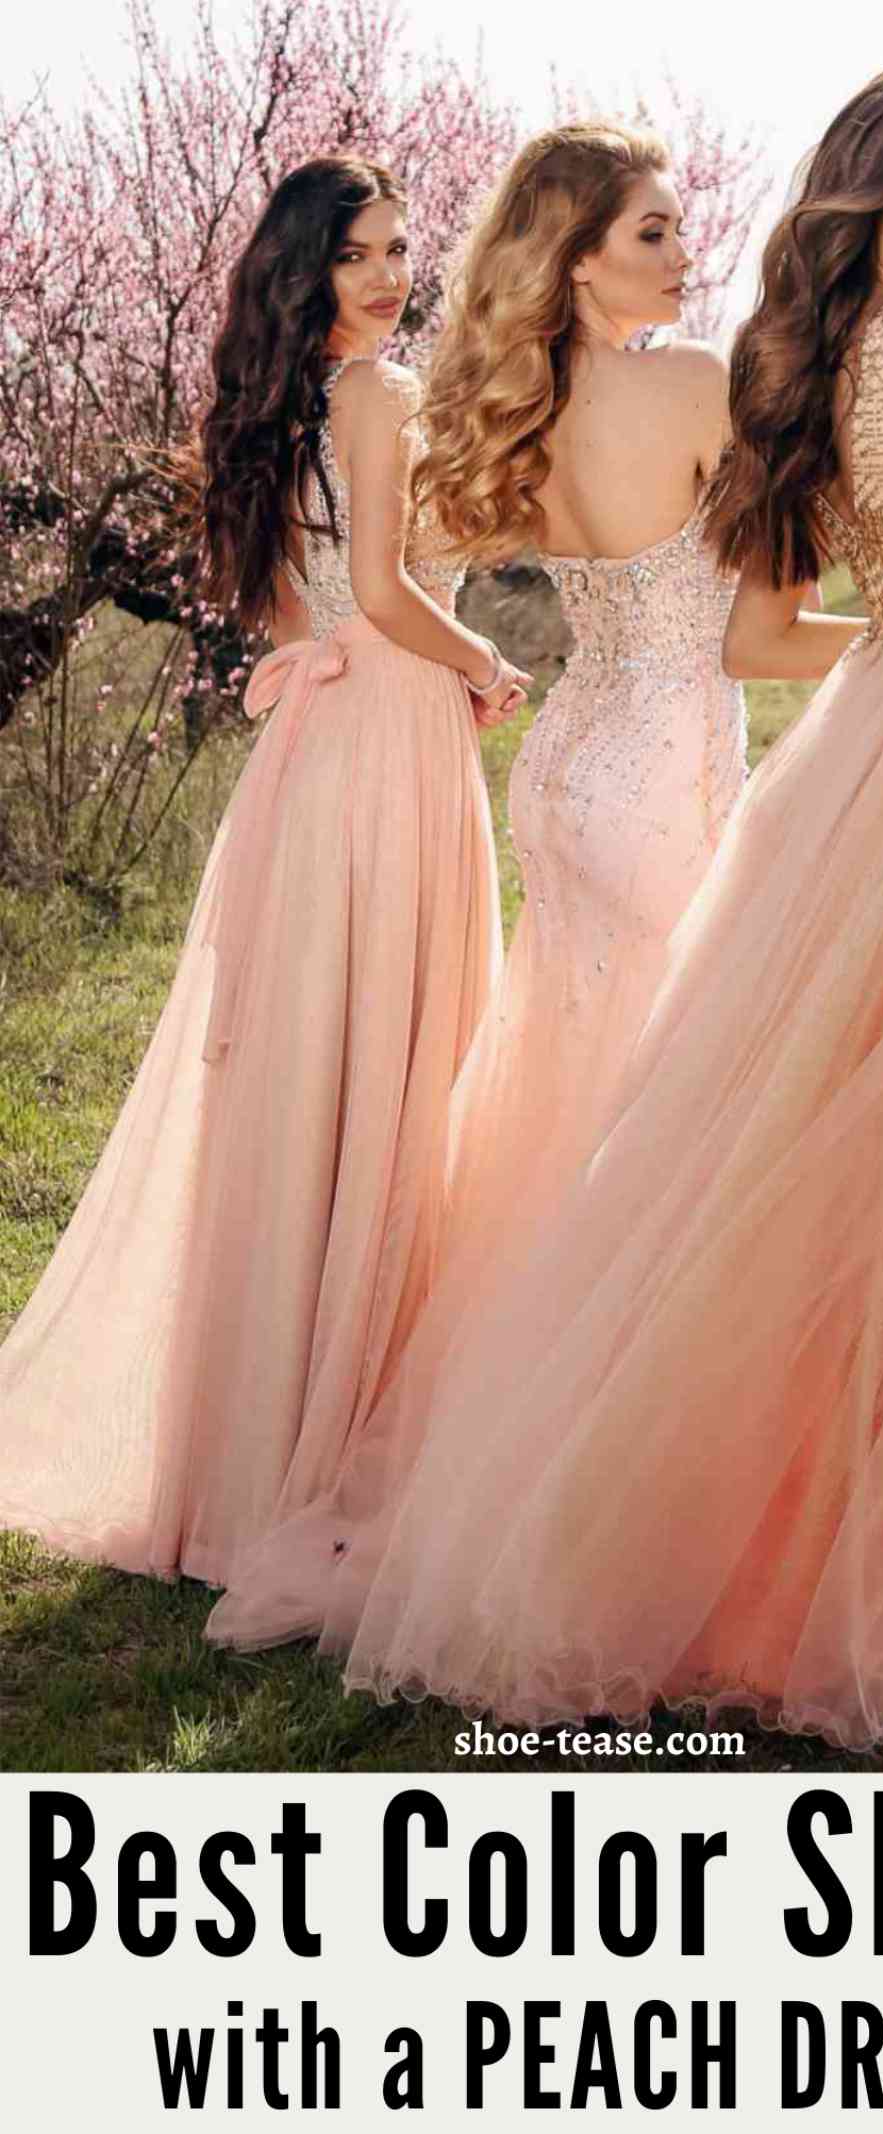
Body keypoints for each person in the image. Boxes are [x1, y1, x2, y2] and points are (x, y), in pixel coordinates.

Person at [207, 123, 862, 1649]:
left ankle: (485, 1437)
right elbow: (760, 632)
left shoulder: (512, 407)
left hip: (560, 779)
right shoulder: (696, 384)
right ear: (575, 253)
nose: (682, 252)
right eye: (648, 230)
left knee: (552, 1129)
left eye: (679, 226)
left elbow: (390, 557)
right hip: (658, 785)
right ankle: (615, 1467)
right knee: (658, 1136)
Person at [0, 157, 528, 1587]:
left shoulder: (279, 405)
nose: (386, 274)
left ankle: (264, 1431)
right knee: (386, 1073)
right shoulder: (380, 394)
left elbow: (302, 601)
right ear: (306, 265)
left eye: (401, 248)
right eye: (357, 253)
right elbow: (378, 595)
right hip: (387, 744)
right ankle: (336, 1426)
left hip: (312, 758)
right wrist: (484, 657)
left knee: (313, 1074)